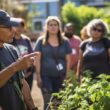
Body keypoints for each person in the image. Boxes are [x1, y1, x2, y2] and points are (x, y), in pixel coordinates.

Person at [0, 10, 38, 110]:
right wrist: (15, 66)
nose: (14, 30)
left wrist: (32, 107)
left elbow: (22, 82)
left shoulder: (11, 49)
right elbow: (14, 68)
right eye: (9, 27)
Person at [34, 16, 72, 109]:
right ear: (47, 27)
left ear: (59, 27)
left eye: (55, 25)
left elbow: (68, 60)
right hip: (45, 77)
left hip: (61, 77)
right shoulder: (41, 41)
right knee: (48, 103)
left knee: (59, 103)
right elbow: (37, 59)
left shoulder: (65, 41)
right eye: (50, 25)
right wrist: (38, 77)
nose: (53, 27)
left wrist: (67, 76)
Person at [11, 18, 34, 90]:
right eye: (17, 26)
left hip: (27, 73)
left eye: (21, 26)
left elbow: (31, 55)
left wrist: (30, 70)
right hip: (15, 73)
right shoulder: (9, 40)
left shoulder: (26, 39)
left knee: (27, 93)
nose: (19, 28)